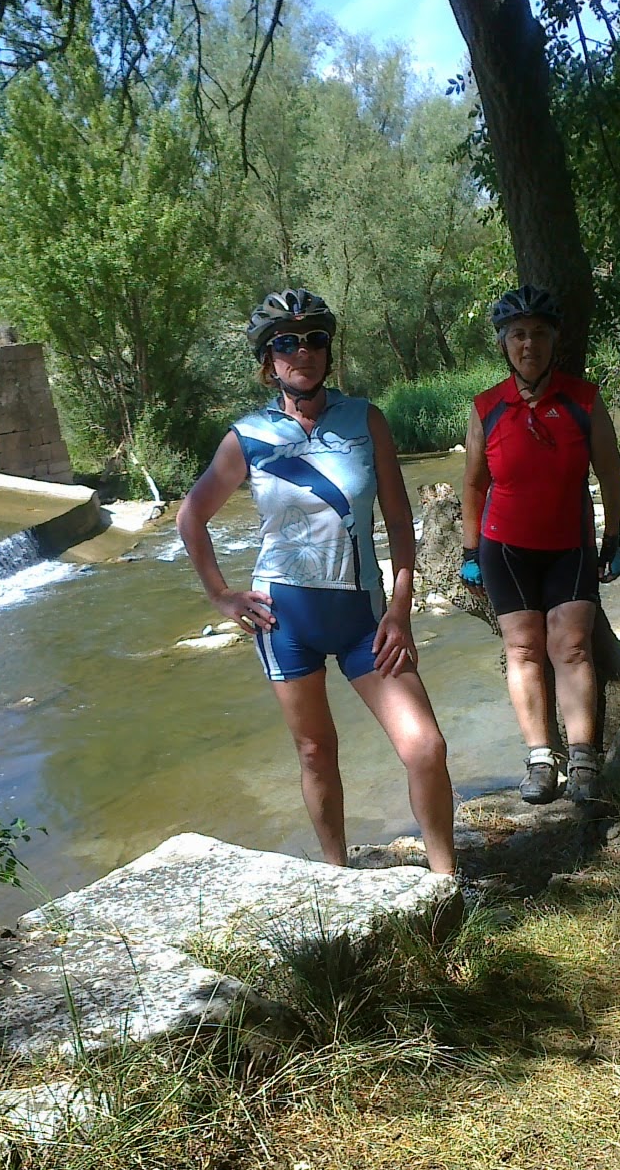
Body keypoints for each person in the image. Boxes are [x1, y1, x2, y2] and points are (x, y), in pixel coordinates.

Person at [176, 288, 456, 875]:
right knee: (314, 752)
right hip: (284, 621)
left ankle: (444, 880)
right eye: (285, 343)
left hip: (367, 620)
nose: (301, 352)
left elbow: (400, 520)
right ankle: (336, 874)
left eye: (314, 340)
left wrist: (401, 608)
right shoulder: (248, 436)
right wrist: (221, 595)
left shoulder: (365, 419)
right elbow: (192, 514)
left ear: (329, 351)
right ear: (268, 360)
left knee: (425, 748)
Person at [459, 286, 620, 805]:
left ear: (555, 340)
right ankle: (539, 757)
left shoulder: (584, 401)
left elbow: (611, 473)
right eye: (517, 335)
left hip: (569, 546)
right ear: (504, 345)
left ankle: (582, 758)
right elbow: (473, 484)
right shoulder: (486, 407)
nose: (528, 344)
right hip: (503, 549)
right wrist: (468, 552)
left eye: (538, 334)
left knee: (571, 647)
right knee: (523, 650)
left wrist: (613, 536)